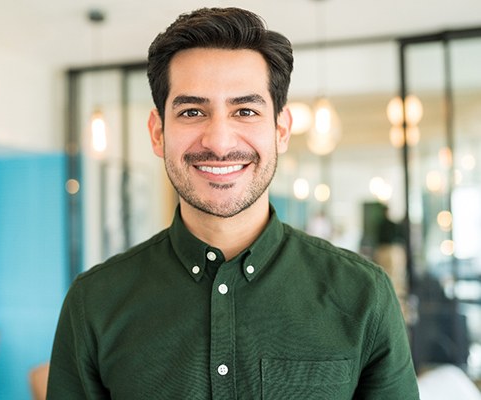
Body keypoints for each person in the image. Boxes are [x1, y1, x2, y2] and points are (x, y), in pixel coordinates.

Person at [47, 7, 419, 399]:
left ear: (280, 130)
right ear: (158, 134)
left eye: (245, 111)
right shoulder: (95, 301)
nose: (220, 142)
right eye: (192, 111)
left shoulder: (363, 293)